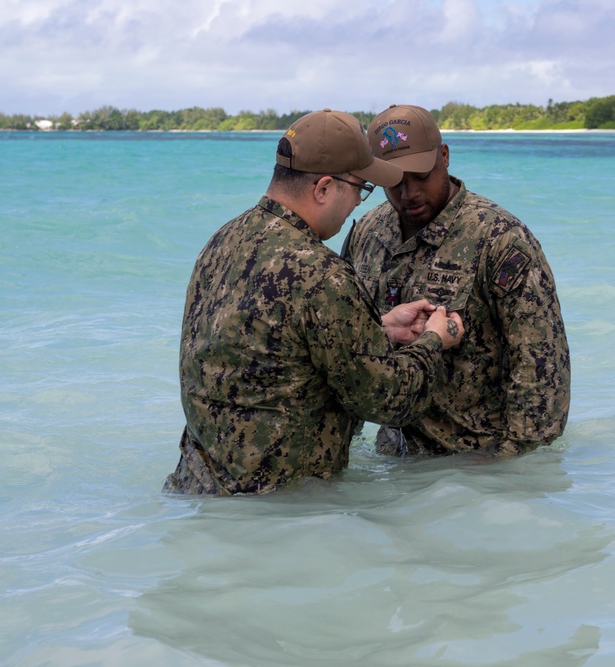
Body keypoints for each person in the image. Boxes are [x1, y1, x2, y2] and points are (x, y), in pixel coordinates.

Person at [163, 108, 465, 496]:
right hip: (282, 510)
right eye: (360, 187)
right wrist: (434, 341)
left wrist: (377, 330)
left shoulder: (223, 241)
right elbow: (391, 401)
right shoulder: (321, 275)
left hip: (199, 490)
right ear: (323, 188)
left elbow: (269, 350)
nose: (359, 202)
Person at [341, 104, 570, 458]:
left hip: (478, 463)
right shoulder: (368, 234)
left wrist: (513, 469)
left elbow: (541, 364)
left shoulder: (499, 239)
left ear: (444, 157)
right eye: (395, 182)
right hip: (393, 453)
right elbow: (347, 346)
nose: (409, 193)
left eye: (421, 176)